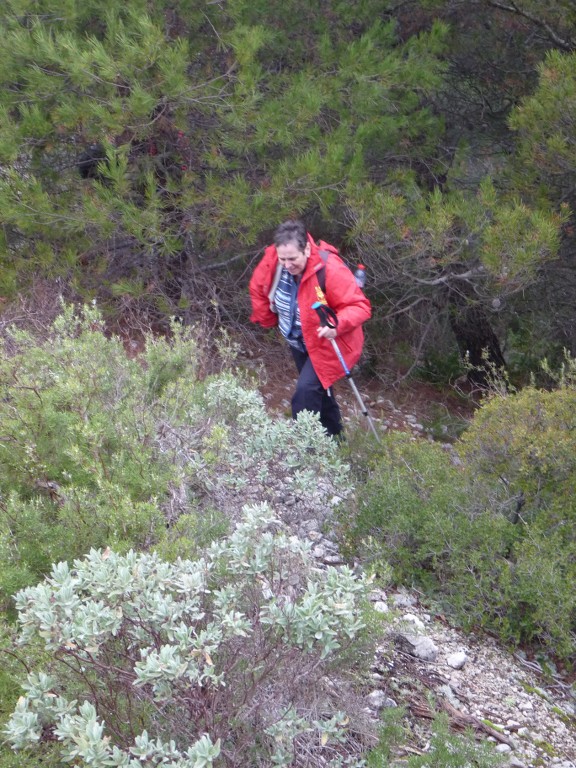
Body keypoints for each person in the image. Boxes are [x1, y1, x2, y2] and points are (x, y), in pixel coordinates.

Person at [249, 219, 371, 437]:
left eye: (292, 259)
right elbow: (258, 287)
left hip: (328, 343)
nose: (286, 265)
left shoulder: (330, 268)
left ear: (306, 248)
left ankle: (305, 448)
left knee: (306, 392)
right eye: (282, 259)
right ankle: (334, 442)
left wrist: (336, 324)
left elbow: (359, 306)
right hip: (298, 341)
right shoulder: (273, 260)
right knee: (321, 393)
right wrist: (267, 317)